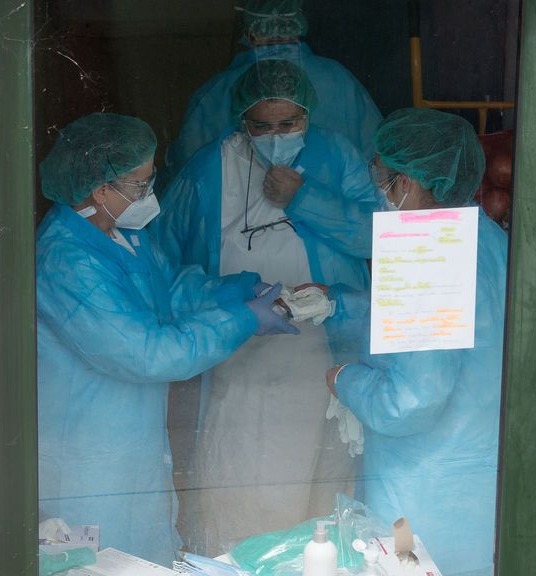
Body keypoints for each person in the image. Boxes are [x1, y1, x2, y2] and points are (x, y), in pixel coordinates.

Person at [35, 113, 297, 566]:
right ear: (100, 189)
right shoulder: (66, 260)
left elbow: (172, 290)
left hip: (130, 445)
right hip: (86, 458)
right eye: (139, 185)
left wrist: (239, 290)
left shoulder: (121, 233)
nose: (150, 193)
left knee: (142, 556)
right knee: (96, 565)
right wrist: (242, 321)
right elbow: (146, 353)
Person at [152, 59, 376, 554]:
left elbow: (377, 235)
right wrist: (230, 299)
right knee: (241, 486)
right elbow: (163, 263)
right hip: (239, 358)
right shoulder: (209, 170)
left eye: (289, 125)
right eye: (262, 126)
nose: (276, 136)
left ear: (307, 116)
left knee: (320, 492)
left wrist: (305, 198)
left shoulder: (336, 157)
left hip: (325, 355)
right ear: (241, 120)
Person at [324, 108, 508, 576]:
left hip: (422, 492)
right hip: (480, 482)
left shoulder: (425, 252)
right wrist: (339, 304)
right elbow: (449, 327)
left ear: (410, 181)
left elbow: (410, 402)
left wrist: (346, 380)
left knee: (406, 566)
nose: (381, 189)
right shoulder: (489, 239)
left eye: (384, 177)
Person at [164, 0, 382, 182]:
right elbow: (378, 158)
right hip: (334, 224)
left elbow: (186, 174)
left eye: (288, 124)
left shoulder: (216, 91)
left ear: (249, 33)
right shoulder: (338, 79)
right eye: (262, 125)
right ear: (299, 26)